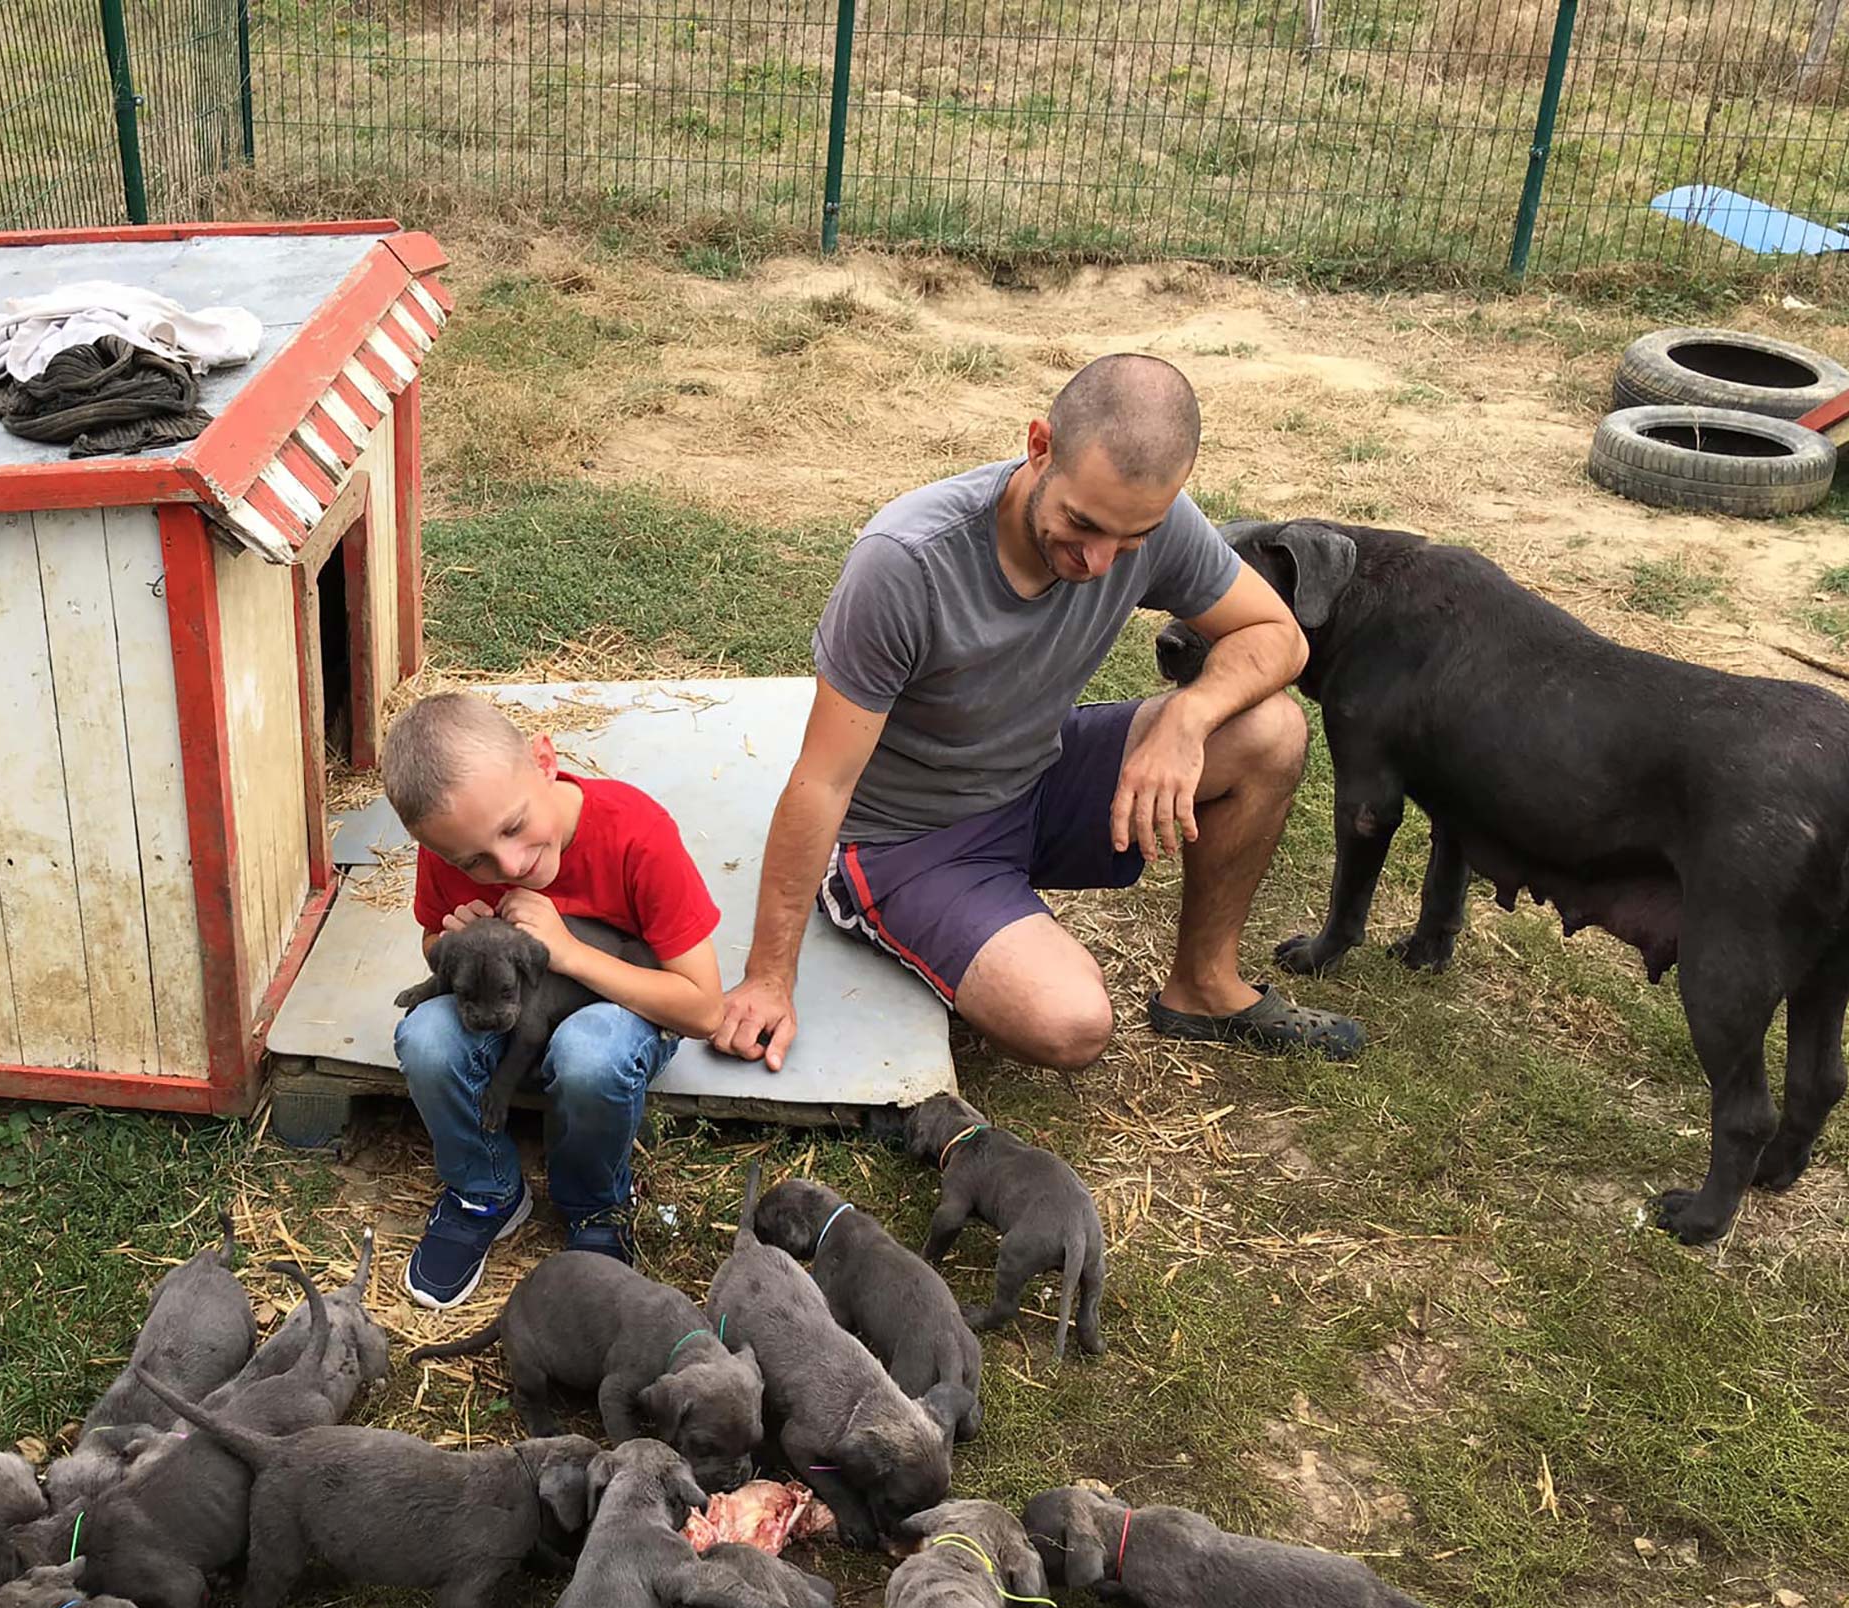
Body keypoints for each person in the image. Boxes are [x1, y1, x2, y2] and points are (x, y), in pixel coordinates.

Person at [710, 353, 1361, 1073]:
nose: (1099, 561)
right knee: (1072, 1022)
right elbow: (822, 782)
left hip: (1038, 776)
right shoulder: (905, 563)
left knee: (1272, 731)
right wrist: (770, 977)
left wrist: (1189, 717)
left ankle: (1204, 986)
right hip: (911, 839)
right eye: (1081, 524)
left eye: (1131, 539)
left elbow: (1279, 636)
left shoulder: (1145, 518)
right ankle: (890, 906)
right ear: (1039, 445)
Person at [383, 693, 725, 1307]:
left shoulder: (637, 832)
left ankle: (594, 1206)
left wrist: (568, 954)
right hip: (518, 1007)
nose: (509, 863)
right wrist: (450, 941)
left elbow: (703, 1010)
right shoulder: (448, 850)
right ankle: (483, 1191)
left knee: (590, 1053)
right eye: (474, 861)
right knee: (426, 1037)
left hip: (626, 1007)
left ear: (544, 759)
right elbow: (434, 940)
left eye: (514, 827)